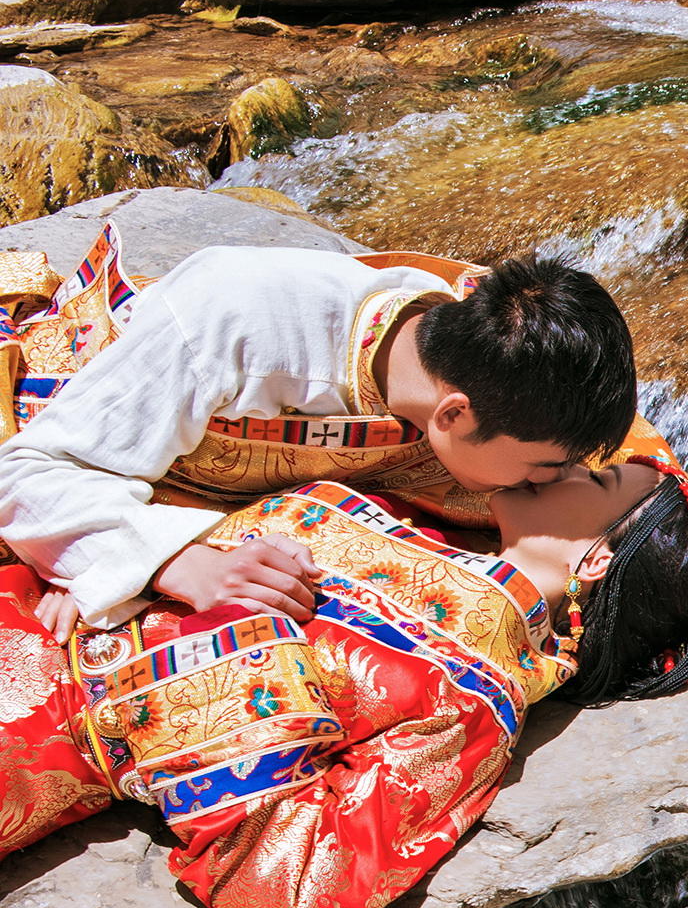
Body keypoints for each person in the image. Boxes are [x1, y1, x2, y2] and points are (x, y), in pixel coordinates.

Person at [0, 447, 688, 908]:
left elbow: (299, 883)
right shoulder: (421, 500)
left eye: (594, 480)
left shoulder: (475, 693)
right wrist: (124, 564)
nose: (566, 461)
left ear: (595, 559)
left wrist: (222, 646)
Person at [0, 226, 643, 643]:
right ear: (452, 416)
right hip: (108, 419)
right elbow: (25, 474)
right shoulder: (230, 326)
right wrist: (177, 563)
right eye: (543, 468)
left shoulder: (502, 351)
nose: (560, 481)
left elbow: (647, 468)